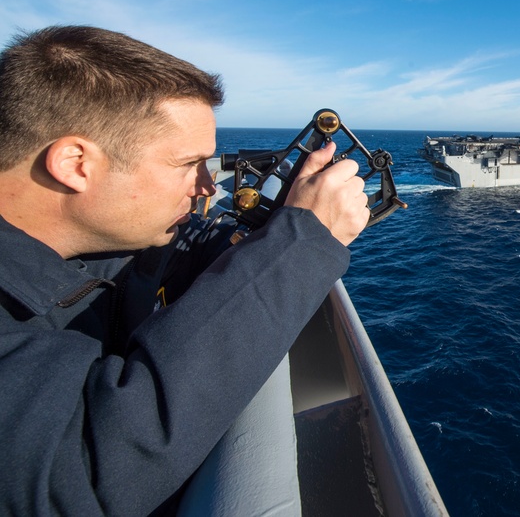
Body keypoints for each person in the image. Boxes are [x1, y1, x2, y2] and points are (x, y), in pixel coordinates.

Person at [0, 26, 372, 515]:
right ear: (74, 163)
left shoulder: (96, 242)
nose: (205, 186)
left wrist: (269, 226)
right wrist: (302, 243)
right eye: (189, 163)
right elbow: (83, 467)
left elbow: (164, 258)